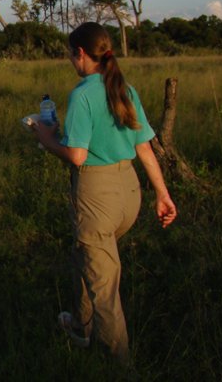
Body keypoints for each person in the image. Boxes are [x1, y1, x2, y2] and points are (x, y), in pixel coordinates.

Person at [32, 22, 177, 365]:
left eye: (70, 54)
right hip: (129, 192)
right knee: (89, 258)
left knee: (104, 286)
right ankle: (82, 328)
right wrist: (163, 194)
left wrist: (45, 137)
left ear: (80, 53)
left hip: (96, 194)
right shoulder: (126, 88)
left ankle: (118, 362)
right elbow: (144, 147)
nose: (70, 60)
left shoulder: (82, 93)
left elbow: (77, 155)